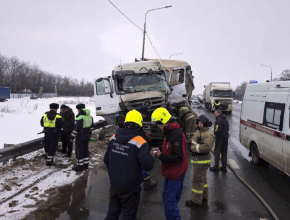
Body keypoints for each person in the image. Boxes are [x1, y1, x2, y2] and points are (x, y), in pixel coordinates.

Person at [104, 109, 155, 219]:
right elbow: (148, 165)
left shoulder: (113, 138)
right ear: (139, 125)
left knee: (112, 212)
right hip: (130, 187)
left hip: (115, 183)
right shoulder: (139, 141)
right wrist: (150, 155)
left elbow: (106, 160)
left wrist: (113, 174)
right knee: (128, 214)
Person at [151, 107, 188, 220]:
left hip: (176, 174)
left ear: (164, 121)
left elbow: (178, 156)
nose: (158, 126)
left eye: (158, 123)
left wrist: (160, 156)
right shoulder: (170, 132)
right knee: (166, 199)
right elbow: (169, 147)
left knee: (170, 207)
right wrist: (161, 149)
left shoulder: (175, 133)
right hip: (170, 172)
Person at [185, 115, 214, 206]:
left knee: (197, 180)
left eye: (201, 123)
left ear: (205, 124)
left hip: (202, 160)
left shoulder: (208, 135)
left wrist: (193, 148)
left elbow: (206, 147)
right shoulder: (198, 132)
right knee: (202, 179)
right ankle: (204, 196)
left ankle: (196, 200)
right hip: (198, 160)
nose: (199, 125)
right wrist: (189, 142)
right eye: (198, 123)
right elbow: (194, 141)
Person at [137, 106, 157, 191]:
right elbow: (138, 131)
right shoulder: (137, 119)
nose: (145, 116)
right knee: (142, 161)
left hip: (136, 142)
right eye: (144, 114)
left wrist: (145, 135)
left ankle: (146, 182)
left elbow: (140, 131)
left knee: (138, 163)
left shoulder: (136, 118)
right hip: (137, 143)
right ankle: (147, 183)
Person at [70, 104, 93, 172]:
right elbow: (92, 127)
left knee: (79, 151)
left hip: (80, 136)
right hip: (87, 135)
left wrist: (72, 137)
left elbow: (76, 129)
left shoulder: (80, 117)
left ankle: (79, 166)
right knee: (85, 149)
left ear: (79, 109)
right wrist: (88, 134)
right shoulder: (90, 116)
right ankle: (86, 165)